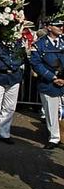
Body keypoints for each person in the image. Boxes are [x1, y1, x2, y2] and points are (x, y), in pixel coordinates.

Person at [28, 17, 64, 150]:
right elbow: (36, 64)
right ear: (49, 27)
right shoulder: (39, 44)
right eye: (58, 26)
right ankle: (54, 138)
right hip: (49, 83)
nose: (61, 28)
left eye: (62, 26)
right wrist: (53, 78)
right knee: (51, 112)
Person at [0, 36, 24, 144]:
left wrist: (15, 65)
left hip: (14, 77)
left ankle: (5, 133)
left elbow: (21, 55)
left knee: (10, 107)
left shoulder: (18, 40)